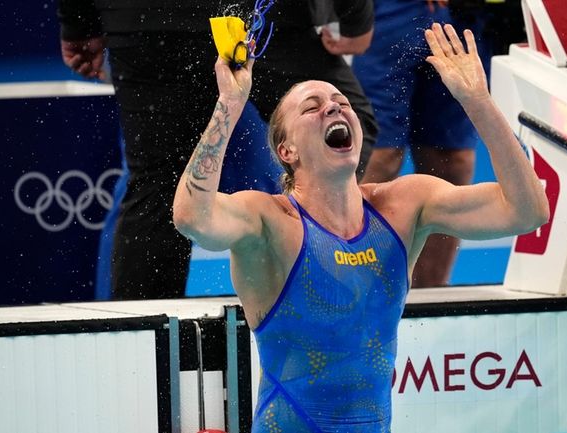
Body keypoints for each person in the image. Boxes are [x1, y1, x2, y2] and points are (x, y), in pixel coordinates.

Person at [173, 23, 549, 431]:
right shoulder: (270, 222)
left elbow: (527, 211)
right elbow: (192, 217)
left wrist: (477, 101)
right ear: (287, 150)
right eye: (312, 106)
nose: (334, 107)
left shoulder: (402, 205)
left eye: (340, 101)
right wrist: (229, 104)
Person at [57, 0, 378, 299]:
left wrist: (79, 23)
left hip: (147, 21)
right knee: (342, 129)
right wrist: (354, 19)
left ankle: (143, 340)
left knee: (155, 187)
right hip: (258, 20)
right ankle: (322, 298)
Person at [351, 0, 494, 288]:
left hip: (464, 14)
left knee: (451, 161)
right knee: (379, 156)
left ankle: (430, 296)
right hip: (387, 12)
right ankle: (349, 291)